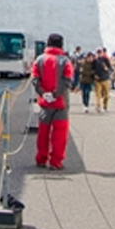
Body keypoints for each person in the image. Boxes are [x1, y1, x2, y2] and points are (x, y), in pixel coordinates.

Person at [31, 33, 73, 169]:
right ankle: (55, 162)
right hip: (60, 103)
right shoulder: (65, 61)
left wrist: (44, 94)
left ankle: (41, 159)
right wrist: (56, 94)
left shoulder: (39, 60)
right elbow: (67, 81)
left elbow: (35, 80)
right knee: (59, 133)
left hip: (44, 103)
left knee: (43, 132)